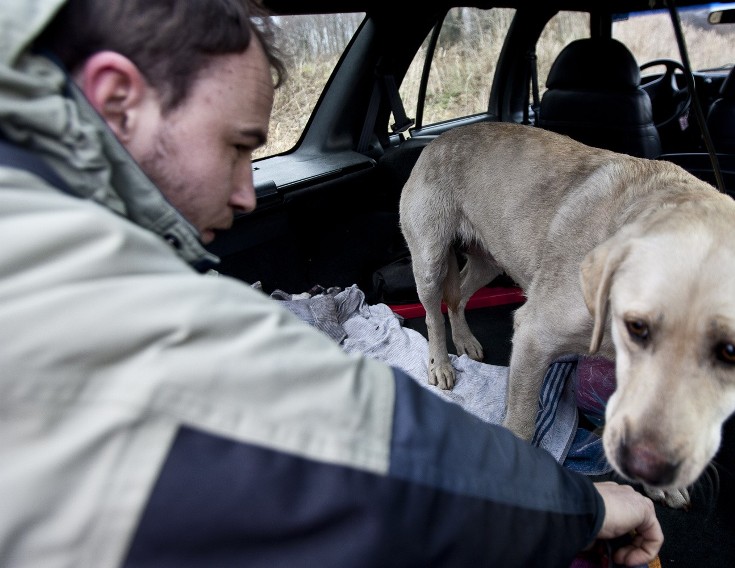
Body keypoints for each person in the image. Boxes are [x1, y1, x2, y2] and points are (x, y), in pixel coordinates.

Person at [0, 0, 663, 566]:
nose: (245, 194)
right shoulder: (54, 262)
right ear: (117, 99)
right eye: (237, 147)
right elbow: (350, 444)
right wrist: (575, 505)